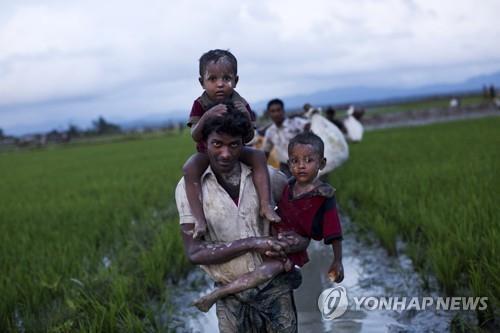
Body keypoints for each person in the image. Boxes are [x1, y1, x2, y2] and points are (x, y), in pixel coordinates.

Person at [176, 110, 309, 332]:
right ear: (205, 144)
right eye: (217, 144)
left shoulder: (272, 179)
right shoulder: (188, 189)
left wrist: (294, 242)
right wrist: (253, 243)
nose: (226, 154)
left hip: (275, 287)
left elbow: (303, 230)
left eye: (234, 145)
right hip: (229, 294)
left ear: (244, 144)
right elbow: (194, 253)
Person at [192, 132, 344, 313]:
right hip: (272, 236)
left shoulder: (323, 196)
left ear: (322, 163)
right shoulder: (287, 185)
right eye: (295, 161)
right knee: (254, 259)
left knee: (263, 272)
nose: (301, 166)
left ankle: (217, 294)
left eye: (308, 160)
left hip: (290, 246)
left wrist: (337, 260)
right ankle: (282, 272)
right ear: (289, 163)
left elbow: (335, 232)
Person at [183, 49, 280, 240]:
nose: (220, 84)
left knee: (259, 157)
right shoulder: (200, 104)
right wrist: (206, 117)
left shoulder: (240, 102)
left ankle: (266, 205)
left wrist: (244, 115)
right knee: (190, 168)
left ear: (236, 80)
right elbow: (195, 135)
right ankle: (199, 219)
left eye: (226, 78)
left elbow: (250, 136)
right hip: (207, 152)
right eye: (212, 79)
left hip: (237, 149)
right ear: (201, 82)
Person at [262, 98, 309, 176]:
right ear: (269, 113)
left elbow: (311, 127)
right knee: (288, 187)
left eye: (278, 110)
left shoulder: (295, 123)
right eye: (273, 111)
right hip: (285, 167)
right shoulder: (270, 132)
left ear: (283, 111)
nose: (276, 114)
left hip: (303, 163)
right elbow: (265, 152)